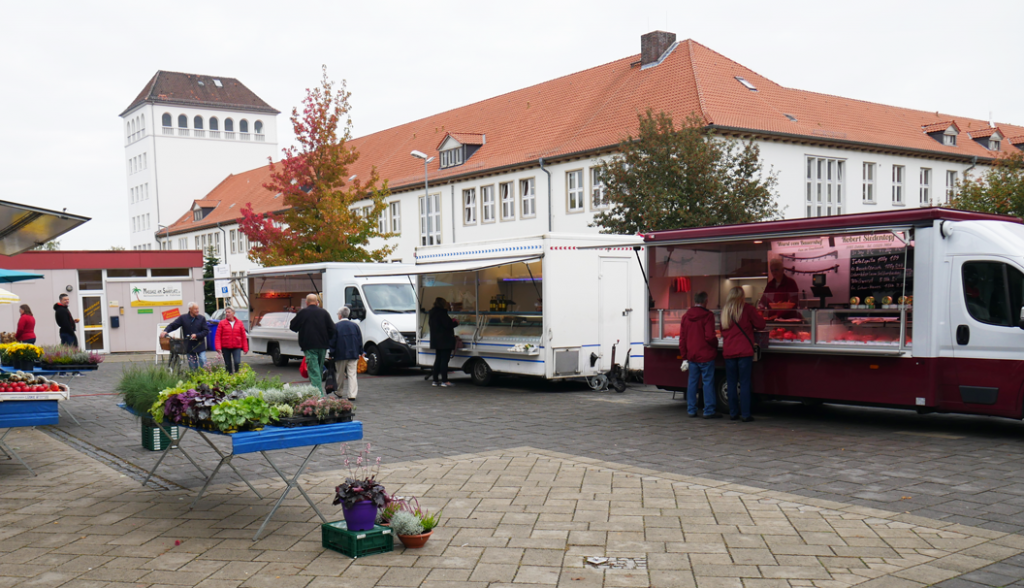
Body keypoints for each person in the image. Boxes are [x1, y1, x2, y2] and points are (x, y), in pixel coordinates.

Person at [721, 286, 766, 423]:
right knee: (745, 383)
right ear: (742, 296)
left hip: (729, 351)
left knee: (732, 383)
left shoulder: (725, 311)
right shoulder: (747, 309)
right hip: (744, 351)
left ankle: (733, 413)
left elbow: (723, 331)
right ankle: (745, 414)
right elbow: (761, 325)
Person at [679, 292, 720, 419]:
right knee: (707, 382)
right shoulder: (708, 316)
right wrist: (716, 344)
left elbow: (682, 339)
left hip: (692, 355)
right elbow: (709, 336)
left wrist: (684, 355)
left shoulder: (685, 317)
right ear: (706, 301)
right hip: (706, 354)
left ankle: (691, 409)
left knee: (692, 383)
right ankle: (708, 410)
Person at [289, 293, 335, 393]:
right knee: (318, 370)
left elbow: (293, 326)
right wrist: (327, 339)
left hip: (309, 345)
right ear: (317, 302)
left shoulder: (303, 313)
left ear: (306, 302)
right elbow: (332, 329)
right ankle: (315, 392)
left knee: (314, 372)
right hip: (322, 346)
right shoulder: (324, 313)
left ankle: (318, 395)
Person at [161, 302, 210, 369]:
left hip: (200, 345)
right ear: (190, 309)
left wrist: (197, 335)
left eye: (198, 309)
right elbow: (173, 325)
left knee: (203, 360)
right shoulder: (183, 318)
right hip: (189, 346)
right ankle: (195, 377)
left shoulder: (202, 319)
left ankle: (205, 375)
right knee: (193, 366)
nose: (197, 310)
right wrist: (165, 331)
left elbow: (206, 331)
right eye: (195, 309)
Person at [330, 306, 363, 400]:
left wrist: (331, 353)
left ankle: (339, 391)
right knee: (352, 374)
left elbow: (333, 341)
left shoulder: (336, 326)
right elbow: (359, 340)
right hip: (353, 353)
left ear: (340, 315)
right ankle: (352, 394)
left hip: (340, 354)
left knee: (340, 373)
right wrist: (360, 351)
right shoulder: (355, 326)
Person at [428, 297, 458, 387]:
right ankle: (444, 381)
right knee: (444, 361)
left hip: (436, 340)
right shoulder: (442, 313)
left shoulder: (432, 313)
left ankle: (435, 380)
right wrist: (455, 323)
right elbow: (448, 325)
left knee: (438, 360)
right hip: (445, 340)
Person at [214, 306, 249, 374]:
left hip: (236, 346)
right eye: (226, 312)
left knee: (237, 362)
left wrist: (245, 348)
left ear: (233, 313)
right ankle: (229, 377)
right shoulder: (222, 323)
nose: (227, 314)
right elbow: (218, 336)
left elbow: (243, 336)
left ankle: (237, 375)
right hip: (225, 347)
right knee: (228, 364)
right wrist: (218, 347)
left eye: (229, 312)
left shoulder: (239, 323)